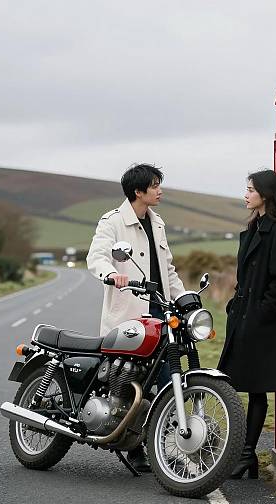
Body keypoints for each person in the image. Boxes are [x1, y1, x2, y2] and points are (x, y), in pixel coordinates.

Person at [87, 163, 185, 471]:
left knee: (168, 378)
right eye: (155, 186)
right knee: (132, 380)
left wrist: (183, 297)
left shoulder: (157, 223)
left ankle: (163, 444)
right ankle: (134, 446)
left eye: (159, 185)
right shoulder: (113, 222)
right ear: (138, 192)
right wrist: (112, 274)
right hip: (129, 313)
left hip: (160, 310)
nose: (160, 191)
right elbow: (97, 257)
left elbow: (167, 269)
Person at [218, 169, 276, 479]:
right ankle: (244, 454)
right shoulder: (254, 227)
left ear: (266, 194)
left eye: (250, 189)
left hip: (262, 325)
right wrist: (235, 305)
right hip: (244, 319)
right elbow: (244, 278)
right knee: (242, 387)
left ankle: (247, 455)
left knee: (257, 389)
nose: (245, 194)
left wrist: (261, 312)